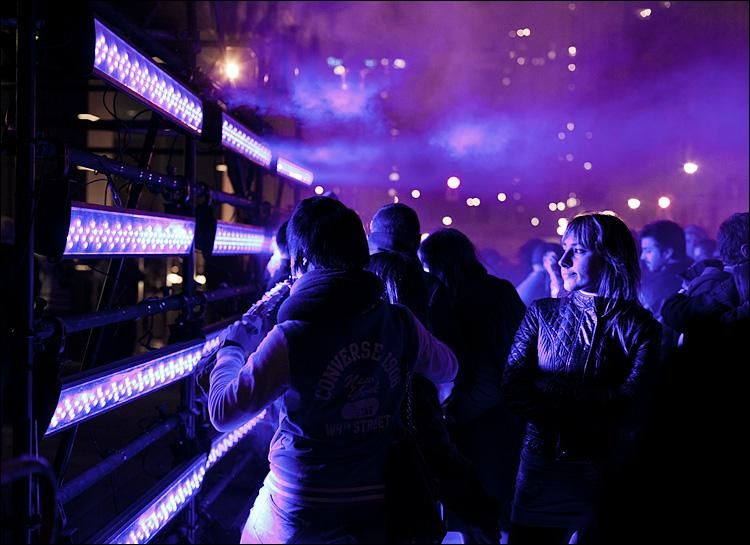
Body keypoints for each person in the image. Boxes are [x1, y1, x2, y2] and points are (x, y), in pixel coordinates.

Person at [207, 196, 458, 544]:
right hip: (373, 505)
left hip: (297, 506)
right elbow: (448, 369)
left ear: (302, 261)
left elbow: (223, 412)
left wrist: (232, 350)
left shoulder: (292, 336)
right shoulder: (400, 322)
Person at [501, 213, 661, 544]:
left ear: (610, 256)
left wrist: (553, 398)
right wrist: (588, 403)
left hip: (602, 471)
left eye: (578, 250)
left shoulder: (640, 326)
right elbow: (513, 386)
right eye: (564, 249)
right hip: (542, 467)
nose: (563, 260)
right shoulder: (543, 313)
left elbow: (633, 401)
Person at [419, 228, 526, 539]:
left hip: (481, 421)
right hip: (503, 419)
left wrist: (455, 412)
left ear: (441, 265)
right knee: (491, 517)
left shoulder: (459, 301)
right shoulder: (501, 291)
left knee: (482, 517)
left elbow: (488, 372)